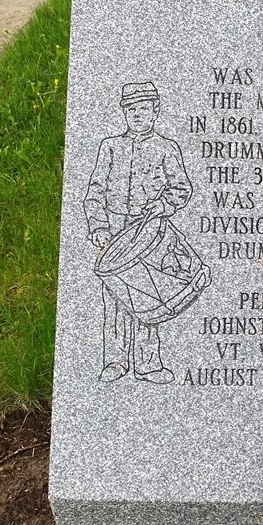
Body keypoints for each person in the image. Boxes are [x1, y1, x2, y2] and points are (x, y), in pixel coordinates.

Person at [84, 81, 192, 384]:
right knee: (115, 298)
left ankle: (147, 363)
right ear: (123, 112)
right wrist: (98, 226)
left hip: (149, 230)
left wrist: (163, 204)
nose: (137, 115)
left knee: (148, 296)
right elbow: (95, 191)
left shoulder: (166, 147)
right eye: (131, 109)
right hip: (116, 230)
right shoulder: (110, 146)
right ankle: (115, 360)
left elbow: (182, 188)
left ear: (155, 110)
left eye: (143, 109)